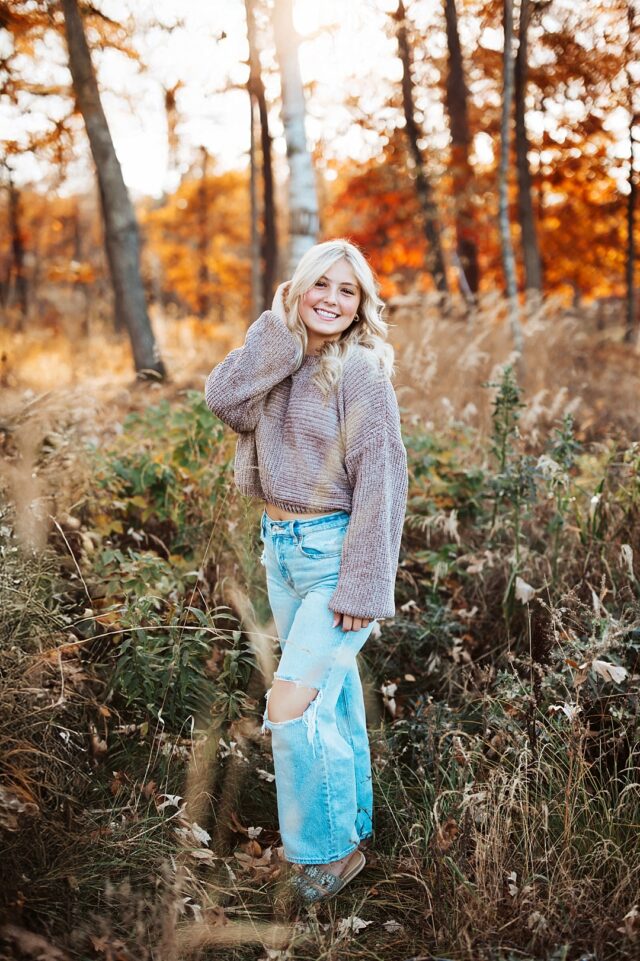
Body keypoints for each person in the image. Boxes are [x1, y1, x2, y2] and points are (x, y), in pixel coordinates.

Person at [204, 238, 408, 902]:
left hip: (334, 554)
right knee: (335, 699)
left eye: (346, 291)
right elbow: (226, 401)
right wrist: (278, 334)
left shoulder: (362, 371)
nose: (332, 299)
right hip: (280, 549)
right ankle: (348, 833)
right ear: (298, 290)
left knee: (290, 704)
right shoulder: (279, 356)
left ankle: (319, 862)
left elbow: (383, 477)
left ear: (361, 304)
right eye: (320, 284)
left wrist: (365, 581)